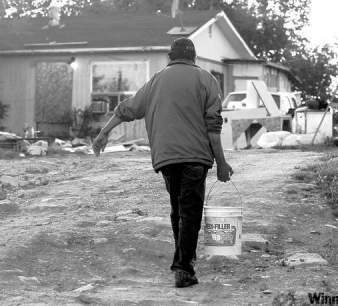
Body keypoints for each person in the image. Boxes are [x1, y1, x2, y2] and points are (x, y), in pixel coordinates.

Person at [92, 38, 233, 288]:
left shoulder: (156, 80)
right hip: (195, 157)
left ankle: (185, 255)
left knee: (178, 208)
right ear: (194, 58)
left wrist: (103, 133)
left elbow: (127, 109)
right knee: (190, 211)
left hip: (166, 158)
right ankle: (184, 267)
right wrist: (221, 162)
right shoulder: (206, 80)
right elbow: (213, 127)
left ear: (170, 57)